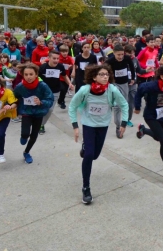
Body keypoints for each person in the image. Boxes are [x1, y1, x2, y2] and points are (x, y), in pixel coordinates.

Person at [69, 65, 129, 204]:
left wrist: (124, 123)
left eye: (107, 74)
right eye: (101, 74)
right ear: (94, 77)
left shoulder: (112, 90)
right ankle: (86, 187)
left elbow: (124, 105)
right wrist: (75, 126)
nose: (105, 76)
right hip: (88, 125)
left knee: (94, 155)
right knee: (89, 155)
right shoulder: (85, 90)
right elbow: (72, 106)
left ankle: (86, 148)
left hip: (103, 125)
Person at [14, 63, 54, 164]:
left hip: (39, 113)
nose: (28, 77)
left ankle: (26, 152)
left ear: (36, 74)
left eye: (31, 74)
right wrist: (14, 104)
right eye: (26, 74)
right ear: (23, 75)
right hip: (26, 112)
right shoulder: (20, 86)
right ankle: (23, 136)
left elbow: (50, 99)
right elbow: (14, 97)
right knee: (25, 133)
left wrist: (41, 102)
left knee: (34, 135)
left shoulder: (43, 86)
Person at [105, 45, 136, 136]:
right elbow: (104, 71)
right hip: (114, 83)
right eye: (118, 55)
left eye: (122, 54)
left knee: (124, 103)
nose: (120, 56)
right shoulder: (110, 61)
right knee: (117, 105)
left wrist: (133, 78)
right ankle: (118, 126)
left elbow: (131, 67)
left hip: (124, 83)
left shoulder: (127, 58)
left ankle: (122, 122)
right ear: (113, 53)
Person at [39, 51, 69, 134]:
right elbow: (37, 78)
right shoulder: (43, 67)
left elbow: (64, 76)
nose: (56, 60)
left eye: (57, 58)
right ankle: (37, 122)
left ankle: (41, 124)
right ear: (49, 58)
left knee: (50, 109)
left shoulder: (60, 66)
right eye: (54, 58)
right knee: (41, 108)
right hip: (43, 91)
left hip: (55, 91)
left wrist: (70, 84)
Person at [57, 45, 75, 109]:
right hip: (59, 77)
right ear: (60, 52)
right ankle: (61, 101)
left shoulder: (69, 58)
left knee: (64, 90)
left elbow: (74, 63)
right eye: (63, 52)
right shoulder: (58, 58)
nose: (65, 53)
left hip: (67, 76)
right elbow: (48, 60)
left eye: (66, 51)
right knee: (62, 89)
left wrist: (71, 66)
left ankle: (61, 101)